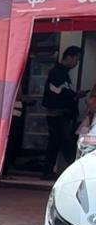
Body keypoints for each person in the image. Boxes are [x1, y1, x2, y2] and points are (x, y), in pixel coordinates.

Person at [43, 45, 82, 176]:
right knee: (66, 143)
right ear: (69, 57)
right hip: (57, 114)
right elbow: (58, 91)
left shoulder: (63, 73)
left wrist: (74, 94)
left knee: (56, 143)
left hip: (60, 114)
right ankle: (76, 172)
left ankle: (48, 171)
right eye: (76, 59)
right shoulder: (58, 73)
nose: (76, 63)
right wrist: (73, 95)